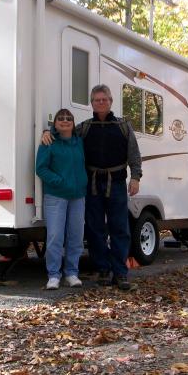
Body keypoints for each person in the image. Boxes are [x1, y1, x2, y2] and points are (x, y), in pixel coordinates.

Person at [42, 84, 142, 290]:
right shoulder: (85, 127)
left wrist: (136, 177)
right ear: (92, 104)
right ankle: (103, 270)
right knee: (95, 229)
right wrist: (47, 131)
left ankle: (120, 273)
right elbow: (64, 132)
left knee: (120, 228)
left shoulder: (123, 126)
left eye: (104, 99)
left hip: (116, 183)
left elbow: (134, 154)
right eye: (97, 100)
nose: (101, 103)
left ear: (111, 101)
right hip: (93, 184)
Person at [36, 108, 87, 290]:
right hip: (55, 196)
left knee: (76, 237)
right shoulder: (48, 142)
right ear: (55, 123)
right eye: (60, 119)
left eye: (68, 119)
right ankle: (53, 276)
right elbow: (41, 168)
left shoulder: (80, 142)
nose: (65, 121)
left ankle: (72, 274)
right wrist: (59, 181)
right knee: (55, 237)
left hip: (78, 197)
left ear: (73, 123)